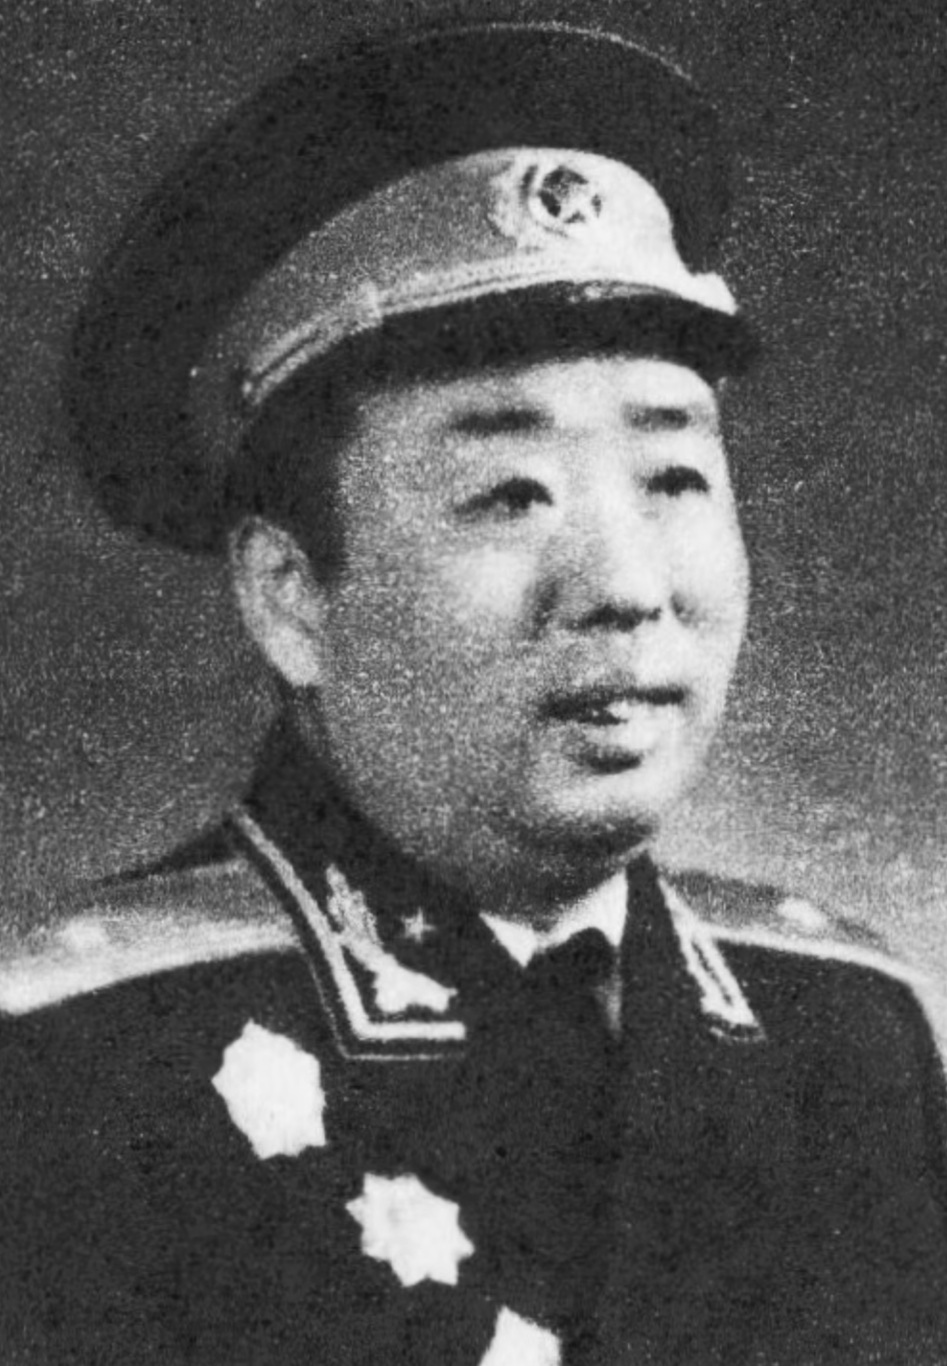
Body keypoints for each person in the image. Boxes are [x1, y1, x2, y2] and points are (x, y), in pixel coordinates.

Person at [2, 19, 946, 1366]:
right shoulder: (74, 1065)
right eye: (510, 493)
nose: (627, 585)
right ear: (292, 597)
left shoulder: (852, 1032)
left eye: (675, 477)